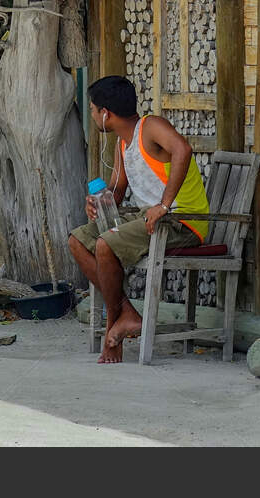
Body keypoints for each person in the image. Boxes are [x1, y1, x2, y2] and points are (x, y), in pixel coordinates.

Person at [68, 75, 209, 363]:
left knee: (105, 245)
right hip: (150, 220)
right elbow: (117, 191)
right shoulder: (123, 143)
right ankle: (126, 312)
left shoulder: (151, 126)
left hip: (182, 221)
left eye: (94, 110)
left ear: (106, 113)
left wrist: (164, 205)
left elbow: (183, 149)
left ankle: (115, 322)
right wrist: (98, 203)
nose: (93, 116)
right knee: (78, 241)